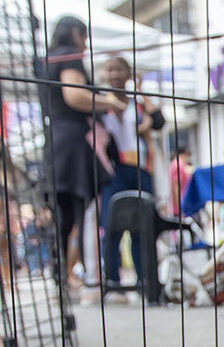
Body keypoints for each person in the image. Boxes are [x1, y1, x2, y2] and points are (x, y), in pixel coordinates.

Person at [37, 16, 126, 292]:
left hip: (55, 140)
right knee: (77, 213)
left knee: (65, 214)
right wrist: (108, 101)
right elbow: (74, 96)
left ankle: (62, 275)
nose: (85, 45)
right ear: (76, 34)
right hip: (72, 142)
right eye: (84, 37)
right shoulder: (68, 56)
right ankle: (73, 275)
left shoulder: (45, 60)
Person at [98, 56, 156, 301]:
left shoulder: (137, 104)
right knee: (112, 226)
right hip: (114, 171)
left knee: (143, 228)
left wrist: (141, 92)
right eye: (109, 69)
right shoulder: (101, 102)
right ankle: (113, 282)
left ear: (128, 72)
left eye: (118, 69)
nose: (114, 74)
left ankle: (146, 280)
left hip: (141, 169)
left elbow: (159, 120)